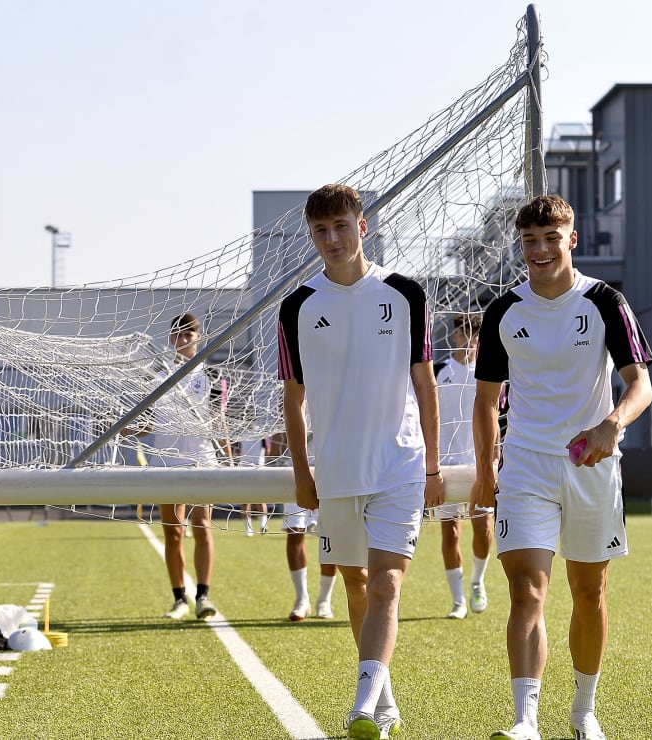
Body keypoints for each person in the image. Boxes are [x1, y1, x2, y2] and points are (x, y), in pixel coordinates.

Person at [471, 194, 652, 740]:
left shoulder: (603, 301)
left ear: (571, 239)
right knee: (526, 589)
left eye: (552, 238)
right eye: (530, 241)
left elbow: (641, 385)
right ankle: (525, 719)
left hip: (592, 465)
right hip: (526, 464)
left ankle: (583, 711)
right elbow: (484, 401)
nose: (541, 250)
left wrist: (611, 425)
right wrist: (486, 468)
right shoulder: (504, 310)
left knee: (588, 592)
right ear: (520, 246)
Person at [278, 184, 444, 740]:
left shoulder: (404, 293)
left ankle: (361, 708)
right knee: (355, 583)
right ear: (311, 236)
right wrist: (303, 473)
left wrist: (434, 468)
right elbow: (293, 399)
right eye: (321, 231)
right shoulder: (297, 305)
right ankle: (386, 703)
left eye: (341, 227)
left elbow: (425, 386)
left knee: (387, 584)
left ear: (362, 226)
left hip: (399, 463)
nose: (333, 239)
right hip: (337, 471)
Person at [150, 313, 232, 621]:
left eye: (189, 334)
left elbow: (218, 422)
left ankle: (203, 595)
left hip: (202, 460)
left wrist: (229, 458)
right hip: (166, 462)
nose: (183, 340)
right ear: (171, 338)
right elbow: (147, 422)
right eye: (178, 335)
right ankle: (178, 598)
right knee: (173, 532)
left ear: (199, 337)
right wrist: (126, 430)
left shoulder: (212, 376)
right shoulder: (157, 376)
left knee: (203, 527)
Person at [436, 312, 495, 620]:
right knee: (450, 533)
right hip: (445, 465)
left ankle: (477, 580)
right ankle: (458, 600)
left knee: (484, 529)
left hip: (478, 464)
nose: (470, 337)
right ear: (455, 335)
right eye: (465, 331)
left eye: (476, 332)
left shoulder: (489, 371)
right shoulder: (439, 371)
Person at [266, 432, 337, 621]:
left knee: (330, 537)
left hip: (329, 467)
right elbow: (281, 428)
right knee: (294, 532)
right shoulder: (284, 400)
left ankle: (324, 600)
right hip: (295, 470)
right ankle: (301, 599)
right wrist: (272, 461)